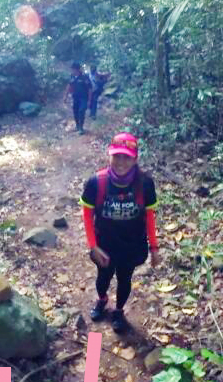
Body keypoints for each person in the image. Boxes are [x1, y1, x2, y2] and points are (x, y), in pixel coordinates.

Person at [80, 132, 159, 333]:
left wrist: (154, 248)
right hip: (105, 244)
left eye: (126, 157)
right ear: (110, 155)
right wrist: (93, 246)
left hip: (132, 245)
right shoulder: (96, 182)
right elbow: (87, 215)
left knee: (125, 279)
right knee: (103, 278)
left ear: (135, 159)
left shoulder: (145, 184)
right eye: (117, 156)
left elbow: (150, 217)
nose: (121, 162)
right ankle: (102, 299)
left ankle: (118, 311)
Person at [63, 61, 92, 134]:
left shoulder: (84, 77)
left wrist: (89, 100)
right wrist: (65, 96)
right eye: (72, 69)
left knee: (81, 111)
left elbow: (90, 89)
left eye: (73, 69)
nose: (72, 71)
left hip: (83, 98)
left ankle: (81, 128)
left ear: (77, 69)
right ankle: (77, 125)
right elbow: (69, 86)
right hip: (75, 98)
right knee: (75, 111)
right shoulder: (72, 76)